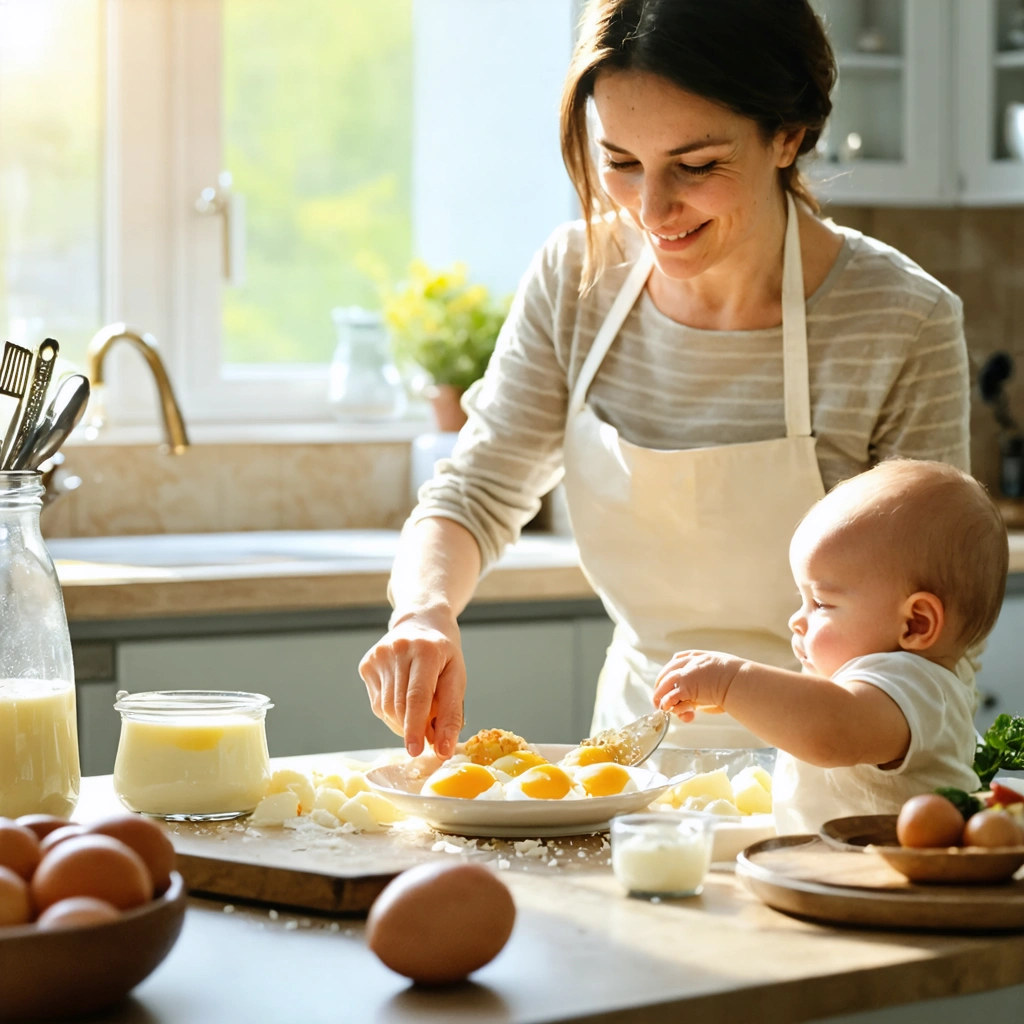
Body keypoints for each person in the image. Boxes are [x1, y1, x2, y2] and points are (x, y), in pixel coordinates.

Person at [359, 0, 972, 761]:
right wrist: (422, 611)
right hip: (629, 765)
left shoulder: (902, 320)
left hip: (833, 779)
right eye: (620, 161)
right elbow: (476, 492)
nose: (652, 208)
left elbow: (941, 627)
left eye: (696, 165)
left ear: (788, 135)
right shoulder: (575, 276)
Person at [653, 459, 1009, 833]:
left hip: (890, 884)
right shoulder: (885, 685)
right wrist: (742, 701)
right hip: (840, 878)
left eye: (820, 603)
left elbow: (828, 731)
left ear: (916, 623)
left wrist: (731, 681)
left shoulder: (916, 687)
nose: (797, 620)